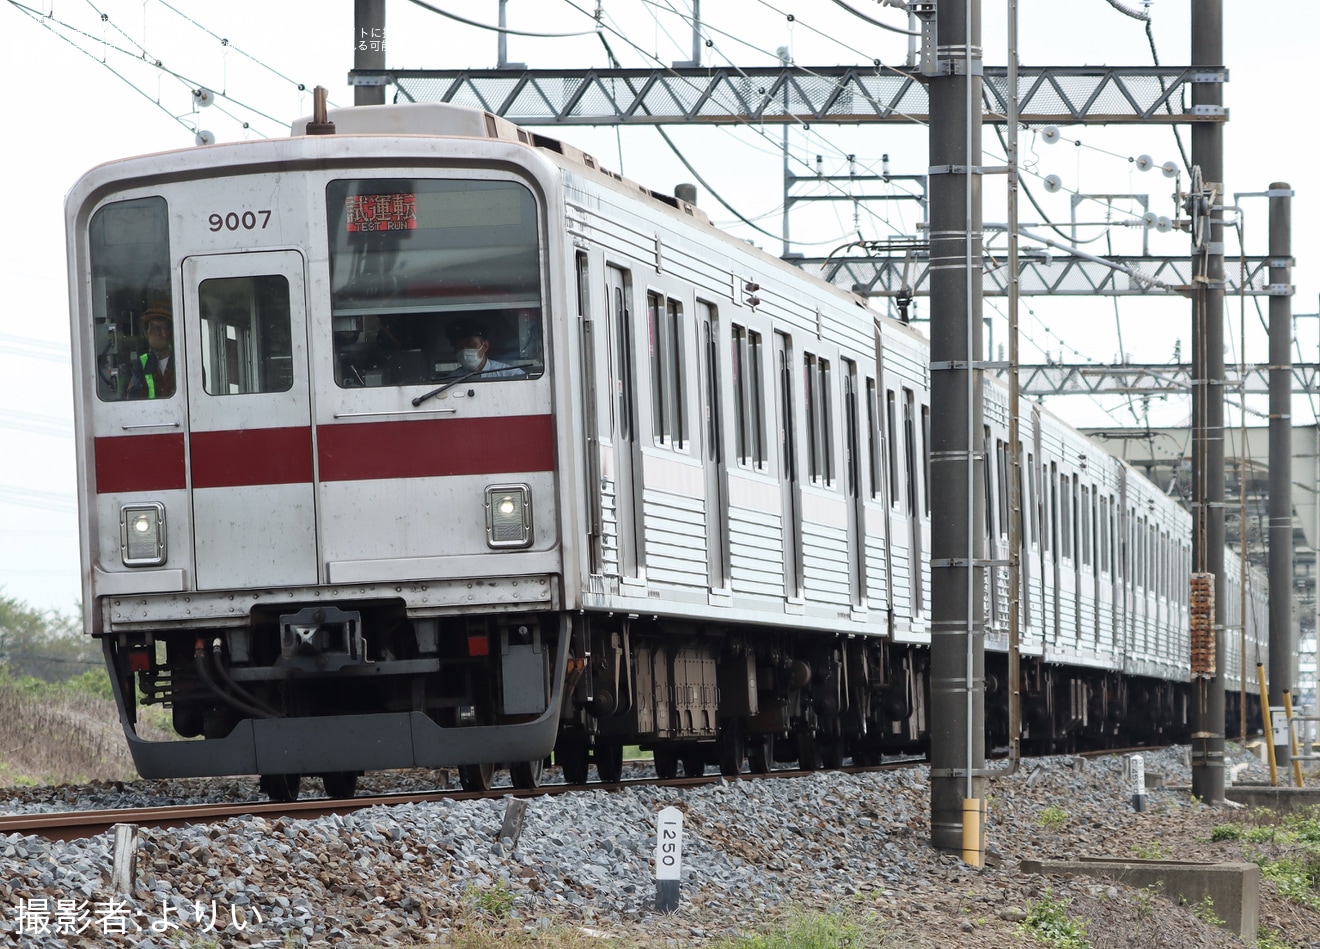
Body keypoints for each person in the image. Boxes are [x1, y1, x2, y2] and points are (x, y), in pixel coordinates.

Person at [446, 318, 524, 379]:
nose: (464, 350)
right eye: (459, 346)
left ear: (485, 346)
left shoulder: (511, 374)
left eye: (470, 344)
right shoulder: (452, 379)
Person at [128, 304, 177, 399]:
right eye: (153, 327)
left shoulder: (185, 360)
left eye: (164, 327)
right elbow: (133, 400)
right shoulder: (141, 364)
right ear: (146, 333)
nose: (158, 332)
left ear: (171, 333)